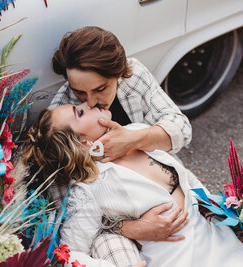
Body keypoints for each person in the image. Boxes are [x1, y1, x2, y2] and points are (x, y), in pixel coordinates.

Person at [22, 103, 243, 266]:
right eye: (80, 112)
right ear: (83, 143)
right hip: (179, 260)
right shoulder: (89, 188)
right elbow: (68, 253)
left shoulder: (136, 131)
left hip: (221, 241)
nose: (87, 104)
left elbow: (186, 177)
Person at [48, 25, 192, 253]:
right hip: (113, 218)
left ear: (118, 73)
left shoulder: (133, 74)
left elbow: (182, 129)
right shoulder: (61, 116)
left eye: (101, 89)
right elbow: (65, 206)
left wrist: (134, 138)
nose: (91, 102)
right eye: (79, 93)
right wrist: (130, 229)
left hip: (161, 181)